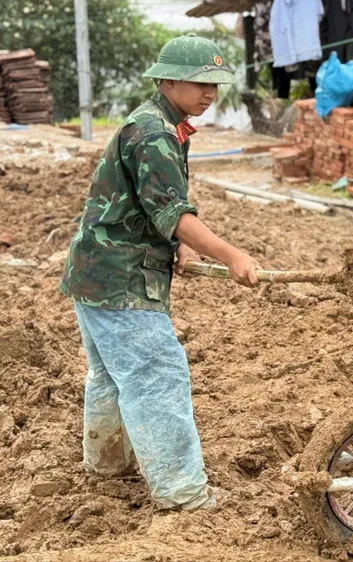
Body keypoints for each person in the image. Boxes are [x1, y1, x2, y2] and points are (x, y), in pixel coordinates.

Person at [60, 35, 261, 510]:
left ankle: (107, 464)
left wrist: (174, 246)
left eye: (215, 83)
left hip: (96, 272)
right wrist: (230, 254)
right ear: (168, 80)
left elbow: (151, 209)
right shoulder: (154, 133)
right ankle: (183, 493)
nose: (210, 93)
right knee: (157, 376)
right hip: (121, 280)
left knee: (110, 375)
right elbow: (175, 212)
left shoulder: (157, 123)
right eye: (199, 83)